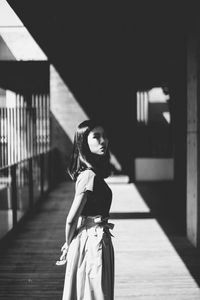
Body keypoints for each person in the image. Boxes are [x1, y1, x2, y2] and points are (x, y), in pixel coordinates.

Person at [57, 120, 115, 300]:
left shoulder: (92, 174)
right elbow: (71, 219)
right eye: (96, 137)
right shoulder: (88, 175)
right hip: (91, 243)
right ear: (84, 142)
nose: (103, 141)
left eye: (104, 136)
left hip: (96, 238)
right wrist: (68, 243)